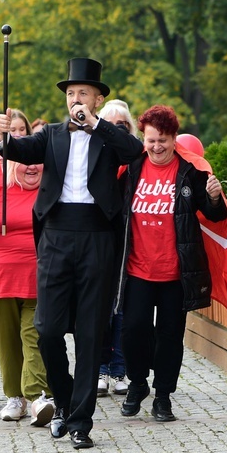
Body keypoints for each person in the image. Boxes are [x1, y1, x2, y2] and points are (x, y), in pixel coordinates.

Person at [0, 58, 143, 449]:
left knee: (91, 333)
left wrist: (97, 125)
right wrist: (2, 137)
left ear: (96, 98)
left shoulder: (108, 137)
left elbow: (136, 152)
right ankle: (62, 403)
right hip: (57, 236)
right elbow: (18, 150)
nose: (75, 99)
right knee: (46, 330)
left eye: (83, 94)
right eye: (71, 94)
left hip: (96, 236)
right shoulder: (54, 135)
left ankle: (80, 422)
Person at [115, 104, 227, 422]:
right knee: (133, 328)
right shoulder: (132, 167)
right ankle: (137, 384)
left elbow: (214, 214)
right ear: (143, 138)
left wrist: (215, 197)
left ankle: (163, 397)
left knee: (170, 336)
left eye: (162, 140)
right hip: (137, 269)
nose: (156, 147)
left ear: (174, 139)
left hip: (176, 272)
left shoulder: (190, 170)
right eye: (151, 140)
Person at [0, 109, 55, 426]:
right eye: (25, 162)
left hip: (38, 279)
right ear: (13, 162)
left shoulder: (51, 195)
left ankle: (37, 397)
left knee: (34, 338)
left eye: (37, 162)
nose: (31, 167)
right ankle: (14, 397)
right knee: (6, 342)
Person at [94, 99, 138, 397]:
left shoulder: (136, 159)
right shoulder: (92, 156)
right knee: (98, 307)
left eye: (121, 125)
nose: (115, 130)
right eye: (109, 124)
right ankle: (99, 369)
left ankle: (119, 370)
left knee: (122, 307)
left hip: (129, 244)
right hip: (97, 241)